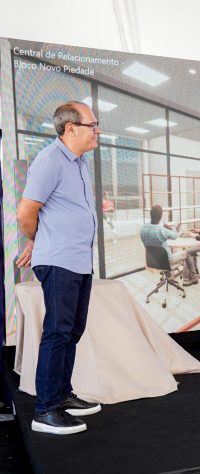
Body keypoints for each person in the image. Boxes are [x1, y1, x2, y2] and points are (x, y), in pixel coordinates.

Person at [15, 101, 102, 435]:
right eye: (92, 125)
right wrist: (38, 240)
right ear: (70, 128)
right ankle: (46, 410)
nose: (97, 131)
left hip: (78, 260)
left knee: (72, 331)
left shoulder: (79, 162)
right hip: (59, 260)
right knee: (57, 332)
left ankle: (62, 394)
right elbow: (26, 211)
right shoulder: (50, 160)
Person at [140, 205, 198, 286]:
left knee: (168, 249)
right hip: (166, 262)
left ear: (150, 214)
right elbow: (175, 236)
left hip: (152, 261)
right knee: (187, 253)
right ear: (161, 216)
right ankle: (193, 278)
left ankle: (171, 276)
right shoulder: (161, 230)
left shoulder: (143, 228)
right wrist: (172, 227)